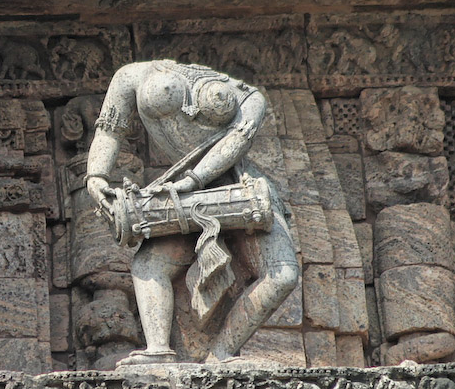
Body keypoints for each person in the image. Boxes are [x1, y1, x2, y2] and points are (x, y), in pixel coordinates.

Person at [86, 60, 299, 365]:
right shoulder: (131, 76)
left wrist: (193, 180)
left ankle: (222, 353)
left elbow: (238, 142)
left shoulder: (252, 99)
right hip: (183, 194)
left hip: (239, 186)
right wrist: (95, 177)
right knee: (150, 264)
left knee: (283, 275)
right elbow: (109, 131)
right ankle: (158, 349)